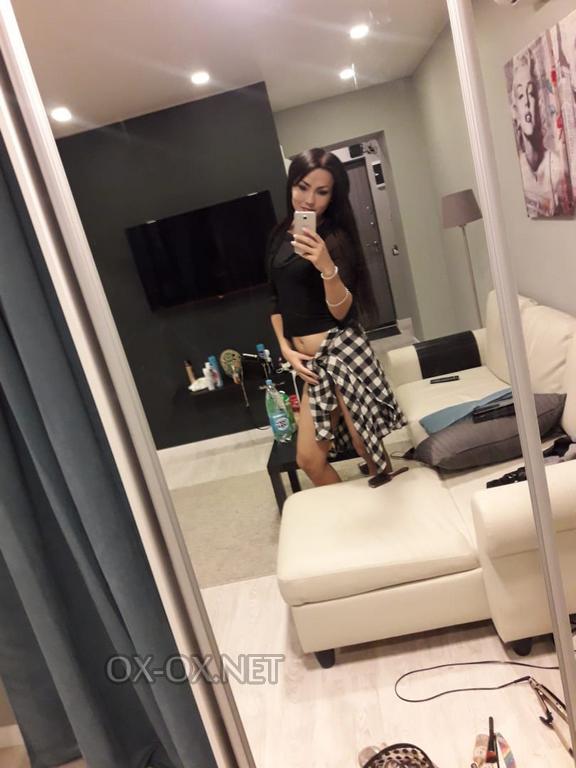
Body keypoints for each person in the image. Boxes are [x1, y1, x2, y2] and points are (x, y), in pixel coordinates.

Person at [267, 147, 406, 488]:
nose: (309, 199)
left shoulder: (336, 239)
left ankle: (389, 503)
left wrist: (326, 266)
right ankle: (347, 508)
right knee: (309, 460)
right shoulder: (279, 235)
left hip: (341, 351)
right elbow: (274, 299)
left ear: (333, 196)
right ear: (291, 185)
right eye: (302, 187)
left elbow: (342, 311)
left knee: (364, 444)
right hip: (310, 363)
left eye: (321, 191)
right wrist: (285, 348)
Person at [511, 49, 571, 217]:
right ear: (515, 111)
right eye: (521, 96)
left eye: (531, 93)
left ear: (539, 104)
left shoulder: (556, 168)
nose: (527, 102)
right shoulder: (518, 171)